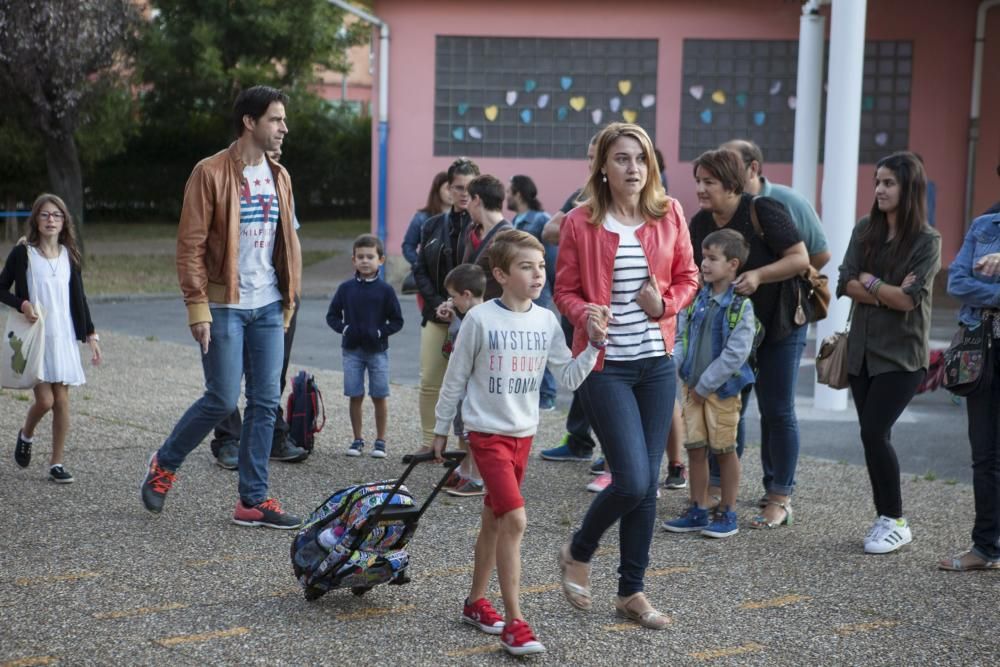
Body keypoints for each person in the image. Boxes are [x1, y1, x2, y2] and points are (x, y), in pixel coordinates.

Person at [431, 229, 606, 656]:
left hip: (523, 436)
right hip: (486, 435)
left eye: (541, 266)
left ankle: (475, 602)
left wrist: (593, 347)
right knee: (515, 520)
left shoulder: (546, 321)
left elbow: (566, 376)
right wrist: (439, 430)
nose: (537, 274)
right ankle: (515, 623)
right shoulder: (479, 319)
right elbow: (454, 378)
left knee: (494, 520)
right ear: (500, 274)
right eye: (526, 267)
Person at [555, 122, 699, 629]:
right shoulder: (580, 221)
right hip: (604, 365)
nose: (632, 168)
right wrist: (583, 316)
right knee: (632, 478)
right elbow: (565, 290)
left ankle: (631, 591)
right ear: (603, 167)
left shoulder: (670, 212)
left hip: (656, 363)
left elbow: (689, 277)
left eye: (639, 158)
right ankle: (579, 548)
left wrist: (666, 304)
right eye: (621, 158)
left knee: (649, 486)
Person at [140, 85, 303, 529]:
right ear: (250, 122)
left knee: (266, 402)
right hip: (224, 303)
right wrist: (198, 306)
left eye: (283, 120)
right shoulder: (209, 172)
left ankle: (253, 499)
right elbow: (190, 244)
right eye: (275, 119)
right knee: (220, 398)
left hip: (268, 304)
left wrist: (289, 300)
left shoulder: (280, 176)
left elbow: (289, 243)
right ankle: (165, 462)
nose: (283, 127)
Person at [689, 148, 809, 529]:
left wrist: (759, 276)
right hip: (729, 334)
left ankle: (779, 496)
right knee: (728, 405)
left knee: (777, 410)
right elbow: (698, 271)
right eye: (698, 182)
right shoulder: (700, 222)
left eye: (709, 182)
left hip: (777, 326)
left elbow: (800, 258)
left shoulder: (763, 210)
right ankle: (721, 488)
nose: (701, 190)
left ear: (731, 184)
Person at [837, 152, 941, 555]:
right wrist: (884, 288)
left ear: (908, 188)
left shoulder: (926, 240)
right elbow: (846, 282)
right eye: (877, 182)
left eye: (888, 183)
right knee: (874, 437)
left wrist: (872, 282)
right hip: (862, 352)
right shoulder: (865, 229)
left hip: (901, 356)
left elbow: (909, 301)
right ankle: (886, 516)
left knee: (873, 432)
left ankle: (895, 519)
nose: (879, 189)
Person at [209, 145, 308, 469]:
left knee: (270, 376)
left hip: (275, 294)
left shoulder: (280, 182)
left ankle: (272, 435)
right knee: (226, 381)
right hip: (232, 297)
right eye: (274, 130)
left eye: (280, 147)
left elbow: (290, 242)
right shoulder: (221, 178)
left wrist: (292, 290)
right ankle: (227, 438)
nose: (277, 147)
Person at [2, 193, 102, 484]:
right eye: (45, 215)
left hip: (63, 336)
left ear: (63, 222)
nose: (50, 220)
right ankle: (26, 434)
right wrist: (22, 303)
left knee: (62, 401)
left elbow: (78, 299)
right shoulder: (23, 254)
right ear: (35, 219)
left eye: (56, 216)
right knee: (45, 401)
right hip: (36, 336)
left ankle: (56, 463)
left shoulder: (70, 255)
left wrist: (91, 335)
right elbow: (1, 287)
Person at [663, 229, 755, 539]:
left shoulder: (740, 307)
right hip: (692, 389)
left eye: (713, 258)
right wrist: (671, 367)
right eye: (704, 257)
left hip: (721, 393)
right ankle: (698, 508)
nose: (705, 264)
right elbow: (680, 338)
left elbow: (735, 355)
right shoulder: (695, 300)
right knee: (696, 450)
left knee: (725, 450)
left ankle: (728, 511)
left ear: (733, 264)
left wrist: (706, 384)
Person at [941, 206, 1000, 570]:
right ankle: (985, 547)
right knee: (985, 454)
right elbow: (956, 282)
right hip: (983, 350)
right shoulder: (984, 227)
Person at [539, 135, 601, 467]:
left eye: (596, 156)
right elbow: (549, 230)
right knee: (580, 370)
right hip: (576, 299)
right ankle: (579, 440)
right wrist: (581, 222)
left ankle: (610, 453)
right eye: (589, 156)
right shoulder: (581, 197)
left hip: (606, 306)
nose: (590, 163)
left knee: (606, 376)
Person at [412, 158, 480, 453]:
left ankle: (469, 450)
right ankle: (429, 443)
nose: (463, 194)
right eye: (458, 187)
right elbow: (420, 270)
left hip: (473, 317)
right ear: (448, 189)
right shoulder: (431, 225)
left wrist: (459, 306)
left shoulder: (484, 229)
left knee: (471, 385)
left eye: (470, 188)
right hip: (437, 314)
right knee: (429, 380)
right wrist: (440, 303)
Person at [326, 234, 404, 458]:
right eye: (360, 257)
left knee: (379, 394)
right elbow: (332, 316)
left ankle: (380, 441)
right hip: (351, 351)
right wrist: (345, 329)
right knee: (355, 394)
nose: (365, 261)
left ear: (381, 260)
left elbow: (397, 320)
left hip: (378, 352)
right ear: (353, 260)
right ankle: (357, 439)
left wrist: (380, 332)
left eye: (370, 256)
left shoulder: (386, 291)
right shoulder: (346, 289)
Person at [723, 139, 831, 270]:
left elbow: (820, 253)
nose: (723, 171)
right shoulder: (718, 204)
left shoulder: (790, 201)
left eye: (731, 164)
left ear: (753, 168)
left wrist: (792, 284)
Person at [435, 263, 487, 496]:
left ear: (466, 295)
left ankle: (477, 478)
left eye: (454, 297)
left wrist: (456, 322)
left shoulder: (479, 318)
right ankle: (465, 472)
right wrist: (454, 319)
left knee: (471, 434)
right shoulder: (469, 316)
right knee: (461, 432)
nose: (452, 301)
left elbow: (463, 347)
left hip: (475, 390)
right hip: (464, 389)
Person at [507, 174, 557, 410]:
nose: (507, 195)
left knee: (539, 341)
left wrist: (556, 288)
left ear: (518, 193)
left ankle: (547, 393)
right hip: (518, 291)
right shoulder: (516, 220)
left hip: (539, 291)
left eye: (510, 191)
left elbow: (552, 257)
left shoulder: (541, 220)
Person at [462, 175, 513, 299]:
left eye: (468, 199)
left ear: (477, 200)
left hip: (494, 313)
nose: (466, 206)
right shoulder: (472, 230)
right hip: (468, 312)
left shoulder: (508, 236)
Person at [401, 171, 451, 266]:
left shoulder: (465, 217)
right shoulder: (422, 217)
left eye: (456, 189)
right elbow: (408, 246)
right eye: (448, 188)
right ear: (437, 190)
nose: (453, 193)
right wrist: (420, 266)